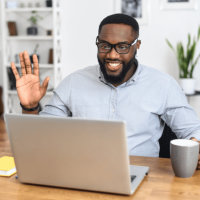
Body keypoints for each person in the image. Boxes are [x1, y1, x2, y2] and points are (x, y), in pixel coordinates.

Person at [11, 13, 200, 169]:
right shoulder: (73, 83)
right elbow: (40, 137)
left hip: (143, 176)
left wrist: (196, 146)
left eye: (122, 47)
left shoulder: (163, 85)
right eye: (104, 46)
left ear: (137, 46)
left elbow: (193, 130)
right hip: (81, 172)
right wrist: (30, 107)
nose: (112, 54)